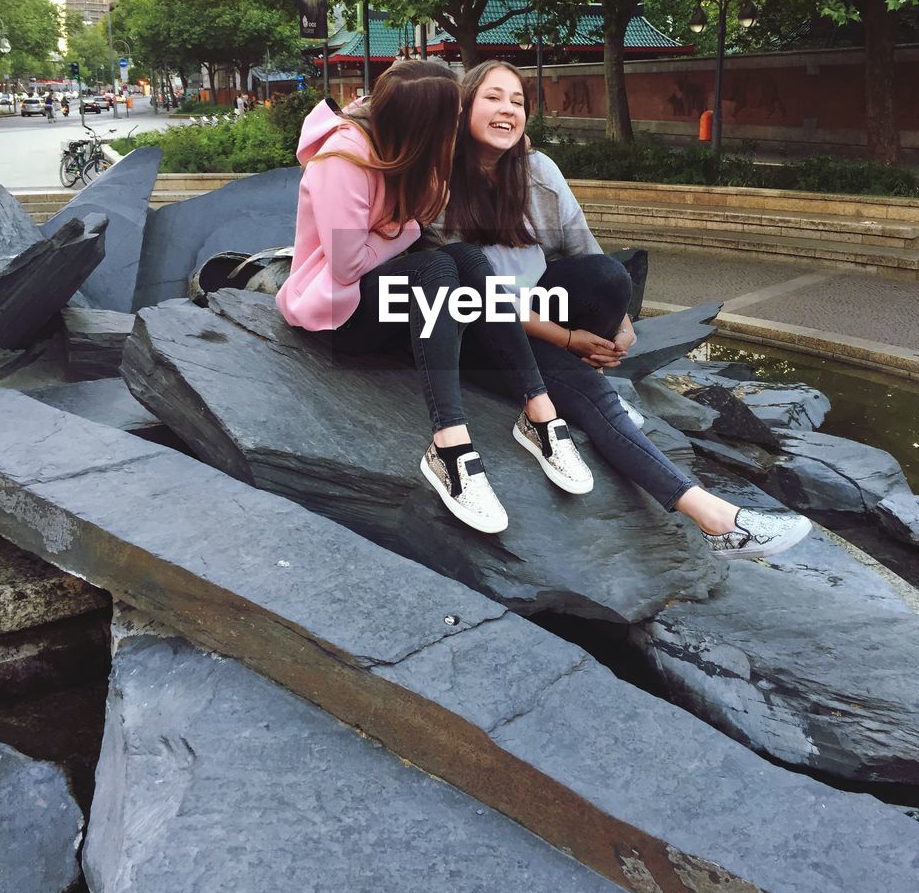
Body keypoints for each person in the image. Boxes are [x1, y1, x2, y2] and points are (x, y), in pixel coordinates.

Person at [431, 60, 812, 560]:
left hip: (541, 307)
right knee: (594, 397)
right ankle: (718, 521)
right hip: (485, 330)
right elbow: (471, 297)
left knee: (610, 277)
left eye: (518, 102)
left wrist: (621, 326)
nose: (507, 110)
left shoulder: (538, 172)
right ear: (462, 107)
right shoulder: (438, 183)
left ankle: (583, 381)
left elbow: (586, 255)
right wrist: (566, 341)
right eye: (492, 98)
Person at [276, 59, 592, 536]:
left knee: (463, 257)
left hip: (387, 289)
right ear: (425, 123)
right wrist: (409, 226)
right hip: (337, 310)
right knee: (436, 265)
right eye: (454, 117)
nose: (459, 127)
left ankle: (539, 411)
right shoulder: (343, 159)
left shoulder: (407, 140)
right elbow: (346, 266)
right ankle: (449, 446)